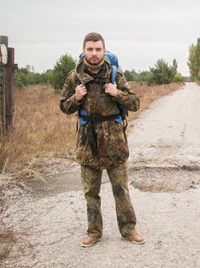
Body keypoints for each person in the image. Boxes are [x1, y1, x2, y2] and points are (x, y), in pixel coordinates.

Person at [59, 32, 144, 248]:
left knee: (121, 189)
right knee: (91, 192)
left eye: (98, 49)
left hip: (114, 141)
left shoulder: (115, 74)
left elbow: (135, 103)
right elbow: (64, 107)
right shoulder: (74, 77)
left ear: (104, 51)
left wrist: (117, 93)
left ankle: (129, 230)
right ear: (84, 50)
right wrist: (76, 98)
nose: (94, 54)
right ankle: (94, 232)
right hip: (88, 143)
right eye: (90, 49)